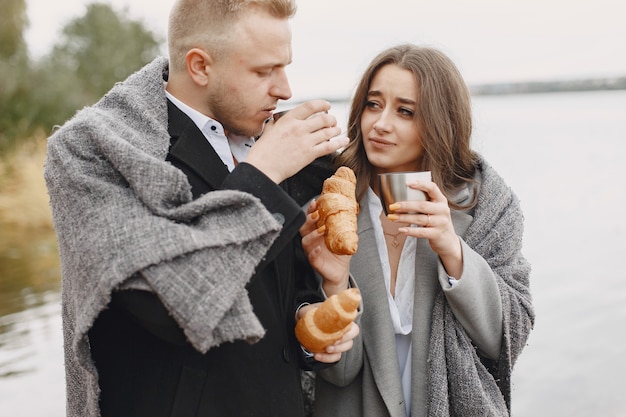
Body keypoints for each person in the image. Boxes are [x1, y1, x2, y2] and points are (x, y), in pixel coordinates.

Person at [44, 1, 358, 416]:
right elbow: (164, 307)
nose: (284, 89)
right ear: (199, 66)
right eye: (264, 71)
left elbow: (282, 288)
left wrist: (307, 320)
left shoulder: (269, 139)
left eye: (284, 67)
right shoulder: (93, 152)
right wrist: (263, 172)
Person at [299, 44, 535, 416]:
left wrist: (451, 249)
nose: (380, 124)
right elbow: (339, 374)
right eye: (373, 105)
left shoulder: (488, 209)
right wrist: (334, 283)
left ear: (441, 123)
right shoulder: (330, 208)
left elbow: (504, 339)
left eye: (405, 111)